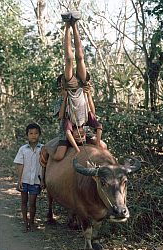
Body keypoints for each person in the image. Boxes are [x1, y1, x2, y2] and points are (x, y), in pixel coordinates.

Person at [53, 10, 105, 161]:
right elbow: (62, 118)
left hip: (81, 88)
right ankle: (67, 26)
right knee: (69, 59)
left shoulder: (84, 122)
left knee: (80, 57)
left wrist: (88, 94)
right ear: (61, 84)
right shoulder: (64, 100)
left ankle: (74, 24)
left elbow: (93, 113)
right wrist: (65, 96)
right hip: (73, 89)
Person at [14, 123, 44, 232]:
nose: (33, 135)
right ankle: (25, 222)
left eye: (36, 133)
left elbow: (44, 165)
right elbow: (20, 165)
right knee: (23, 201)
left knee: (32, 202)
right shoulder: (23, 149)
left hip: (36, 181)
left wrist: (43, 180)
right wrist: (19, 180)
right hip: (24, 180)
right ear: (27, 135)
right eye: (31, 133)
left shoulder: (43, 149)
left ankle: (32, 222)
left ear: (39, 135)